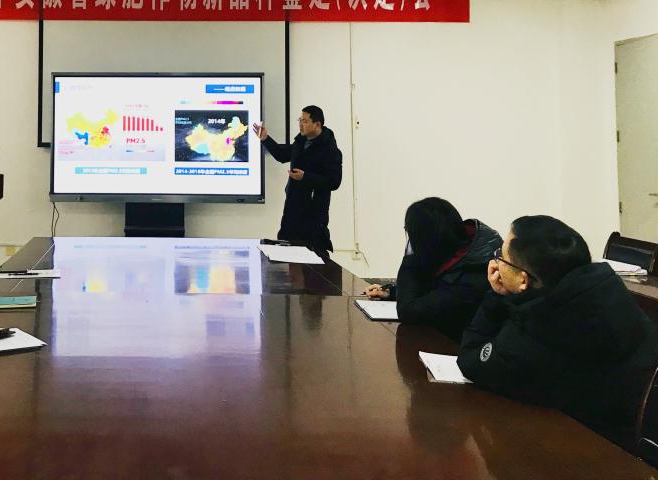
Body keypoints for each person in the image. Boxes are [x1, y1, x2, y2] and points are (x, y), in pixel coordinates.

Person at [457, 215, 658, 449]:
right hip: (630, 433)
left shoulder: (532, 336)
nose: (496, 263)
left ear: (523, 280)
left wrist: (495, 296)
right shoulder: (609, 290)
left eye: (501, 257)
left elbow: (470, 360)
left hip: (591, 449)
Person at [362, 197, 501, 340]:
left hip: (455, 347)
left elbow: (408, 311)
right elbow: (435, 292)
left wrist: (410, 255)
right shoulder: (456, 249)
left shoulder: (472, 276)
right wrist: (392, 292)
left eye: (411, 234)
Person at [253, 105, 342, 250]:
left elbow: (334, 182)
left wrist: (305, 177)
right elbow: (282, 155)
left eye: (305, 121)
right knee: (286, 249)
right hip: (292, 208)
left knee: (312, 253)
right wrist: (265, 139)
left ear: (317, 124)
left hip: (313, 213)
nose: (301, 124)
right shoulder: (300, 142)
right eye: (300, 120)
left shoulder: (330, 150)